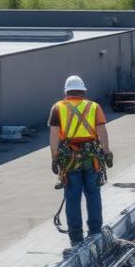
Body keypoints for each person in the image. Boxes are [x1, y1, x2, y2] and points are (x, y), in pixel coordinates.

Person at [48, 75, 112, 245]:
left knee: (72, 197)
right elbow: (102, 131)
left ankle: (76, 237)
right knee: (93, 193)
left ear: (66, 91)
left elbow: (54, 135)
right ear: (83, 91)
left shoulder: (57, 107)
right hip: (91, 159)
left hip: (69, 160)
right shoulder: (94, 107)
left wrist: (54, 158)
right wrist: (106, 153)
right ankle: (95, 231)